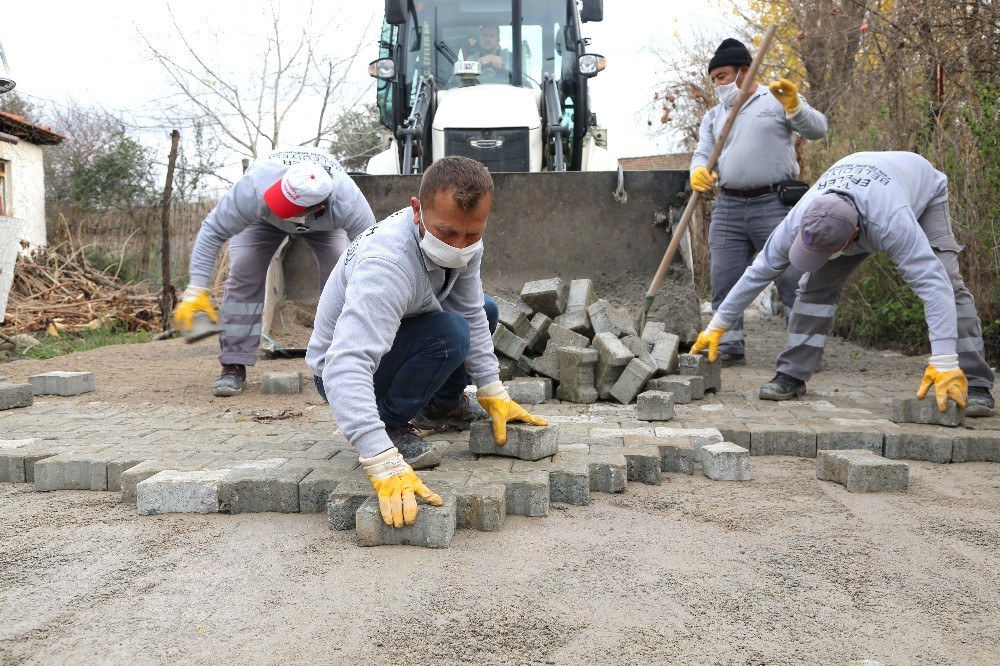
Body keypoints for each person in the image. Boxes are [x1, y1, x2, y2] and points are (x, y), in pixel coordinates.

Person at [305, 156, 548, 528]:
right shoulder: (385, 265)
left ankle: (442, 407)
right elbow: (346, 364)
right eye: (447, 232)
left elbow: (470, 311)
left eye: (473, 234)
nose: (459, 246)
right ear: (416, 210)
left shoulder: (466, 244)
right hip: (338, 374)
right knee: (450, 333)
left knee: (484, 309)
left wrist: (492, 389)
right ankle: (390, 423)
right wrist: (379, 458)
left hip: (398, 337)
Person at [690, 151, 996, 417]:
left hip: (921, 190)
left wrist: (943, 360)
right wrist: (718, 323)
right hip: (853, 189)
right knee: (813, 288)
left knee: (948, 284)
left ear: (852, 239)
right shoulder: (800, 217)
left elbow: (933, 286)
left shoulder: (891, 222)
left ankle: (974, 382)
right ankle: (792, 374)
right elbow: (759, 271)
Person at [173, 147, 376, 397]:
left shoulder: (348, 202)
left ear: (318, 206)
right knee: (244, 267)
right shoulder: (256, 189)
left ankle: (339, 360)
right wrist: (196, 288)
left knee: (341, 269)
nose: (278, 205)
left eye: (287, 205)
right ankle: (234, 362)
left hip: (324, 226)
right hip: (261, 220)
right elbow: (213, 230)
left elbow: (369, 251)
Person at [690, 37, 829, 367]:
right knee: (724, 277)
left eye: (721, 76)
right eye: (713, 79)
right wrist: (697, 170)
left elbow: (817, 129)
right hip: (729, 207)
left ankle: (805, 350)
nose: (717, 85)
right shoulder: (713, 116)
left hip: (774, 204)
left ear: (744, 71)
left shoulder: (777, 99)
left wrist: (796, 106)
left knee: (793, 277)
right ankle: (726, 345)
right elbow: (702, 152)